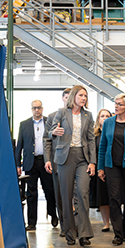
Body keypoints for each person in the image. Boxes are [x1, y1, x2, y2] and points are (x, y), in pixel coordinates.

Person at [51, 85, 96, 247]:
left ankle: (84, 233)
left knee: (83, 193)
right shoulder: (62, 113)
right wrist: (54, 132)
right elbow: (50, 132)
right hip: (65, 157)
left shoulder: (88, 115)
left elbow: (91, 140)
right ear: (73, 97)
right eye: (81, 95)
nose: (83, 98)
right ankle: (69, 232)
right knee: (66, 195)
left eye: (85, 96)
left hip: (82, 158)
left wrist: (92, 162)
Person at [98, 94, 125, 246]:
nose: (116, 106)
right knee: (114, 199)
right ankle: (118, 233)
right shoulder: (108, 123)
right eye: (115, 103)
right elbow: (103, 146)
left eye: (120, 104)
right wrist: (100, 167)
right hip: (112, 166)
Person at [15, 100, 57, 231]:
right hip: (30, 163)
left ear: (42, 109)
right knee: (31, 193)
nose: (37, 110)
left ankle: (53, 215)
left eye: (39, 108)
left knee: (49, 190)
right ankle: (31, 223)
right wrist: (17, 165)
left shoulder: (48, 122)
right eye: (34, 108)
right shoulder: (24, 124)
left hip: (46, 162)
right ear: (31, 109)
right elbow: (19, 146)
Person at [43, 87, 72, 237]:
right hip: (58, 161)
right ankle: (65, 225)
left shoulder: (83, 116)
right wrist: (48, 159)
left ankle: (77, 225)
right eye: (67, 97)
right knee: (61, 194)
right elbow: (47, 140)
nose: (69, 99)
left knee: (78, 194)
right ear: (63, 98)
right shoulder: (53, 116)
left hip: (77, 161)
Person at [90, 109, 112, 231]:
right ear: (98, 119)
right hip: (100, 168)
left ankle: (116, 220)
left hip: (113, 167)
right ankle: (106, 223)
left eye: (107, 116)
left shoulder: (114, 132)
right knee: (103, 197)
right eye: (102, 116)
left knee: (114, 196)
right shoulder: (94, 135)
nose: (104, 118)